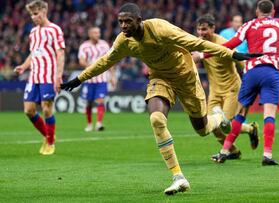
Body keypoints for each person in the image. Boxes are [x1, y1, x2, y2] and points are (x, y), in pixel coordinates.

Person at [60, 3, 261, 195]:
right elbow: (105, 61)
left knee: (203, 130)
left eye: (128, 21)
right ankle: (178, 177)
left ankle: (218, 117)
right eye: (120, 22)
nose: (123, 26)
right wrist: (79, 79)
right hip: (160, 79)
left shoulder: (160, 28)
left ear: (139, 20)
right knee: (156, 119)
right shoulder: (124, 40)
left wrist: (232, 54)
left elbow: (196, 42)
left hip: (187, 78)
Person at [211, 0, 279, 166]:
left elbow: (231, 45)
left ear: (257, 11)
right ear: (273, 11)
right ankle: (267, 155)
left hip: (252, 71)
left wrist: (206, 54)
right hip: (272, 72)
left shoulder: (249, 25)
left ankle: (224, 152)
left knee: (241, 114)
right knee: (269, 115)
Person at [193, 14, 259, 160]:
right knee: (210, 126)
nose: (201, 33)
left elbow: (240, 62)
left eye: (204, 29)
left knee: (225, 124)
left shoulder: (223, 43)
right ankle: (235, 149)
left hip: (231, 89)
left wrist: (249, 82)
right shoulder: (198, 43)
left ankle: (233, 145)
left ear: (213, 28)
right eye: (199, 29)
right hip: (215, 92)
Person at [14, 0, 65, 155]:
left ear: (44, 11)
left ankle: (50, 143)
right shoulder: (33, 32)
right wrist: (24, 66)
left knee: (46, 109)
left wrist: (58, 76)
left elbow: (60, 53)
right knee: (29, 110)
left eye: (35, 13)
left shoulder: (55, 30)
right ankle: (49, 135)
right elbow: (34, 52)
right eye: (31, 14)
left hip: (48, 76)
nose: (33, 17)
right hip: (34, 76)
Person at [78, 27, 116, 132]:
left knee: (100, 100)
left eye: (99, 32)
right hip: (89, 79)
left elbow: (110, 60)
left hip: (102, 79)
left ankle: (99, 123)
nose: (98, 34)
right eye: (95, 33)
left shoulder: (104, 45)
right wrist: (92, 66)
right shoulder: (84, 46)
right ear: (90, 34)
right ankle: (89, 124)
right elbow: (81, 61)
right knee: (89, 102)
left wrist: (112, 76)